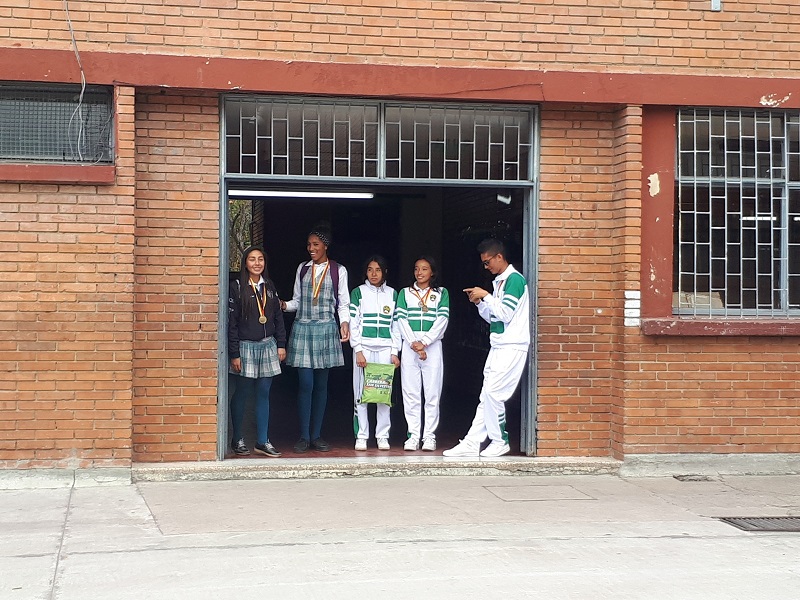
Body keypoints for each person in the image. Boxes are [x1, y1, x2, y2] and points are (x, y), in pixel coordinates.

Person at [443, 239, 530, 458]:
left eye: (487, 262)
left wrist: (487, 296)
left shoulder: (514, 280)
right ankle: (472, 442)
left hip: (512, 346)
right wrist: (480, 303)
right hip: (499, 345)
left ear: (499, 257)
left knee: (493, 395)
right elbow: (493, 317)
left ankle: (500, 440)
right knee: (486, 396)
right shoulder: (500, 281)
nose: (486, 266)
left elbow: (506, 314)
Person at [281, 222, 350, 453]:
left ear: (325, 246)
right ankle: (303, 435)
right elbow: (297, 301)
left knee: (321, 385)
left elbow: (343, 304)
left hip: (326, 328)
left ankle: (317, 435)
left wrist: (345, 324)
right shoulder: (302, 268)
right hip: (303, 329)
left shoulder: (338, 270)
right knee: (306, 384)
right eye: (309, 244)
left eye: (316, 244)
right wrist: (283, 305)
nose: (311, 248)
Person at [228, 246, 286, 458]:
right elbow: (232, 323)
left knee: (264, 393)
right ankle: (238, 438)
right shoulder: (237, 287)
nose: (257, 263)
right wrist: (234, 353)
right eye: (252, 259)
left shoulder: (269, 286)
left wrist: (281, 344)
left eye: (260, 259)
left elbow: (277, 317)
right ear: (245, 263)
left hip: (268, 345)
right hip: (245, 347)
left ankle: (262, 440)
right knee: (242, 393)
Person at [395, 256, 449, 452]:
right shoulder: (405, 293)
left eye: (424, 269)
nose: (420, 273)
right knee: (411, 393)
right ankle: (413, 435)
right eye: (417, 269)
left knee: (432, 393)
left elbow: (442, 320)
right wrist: (414, 344)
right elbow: (401, 319)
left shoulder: (441, 293)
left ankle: (429, 436)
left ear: (432, 272)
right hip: (410, 346)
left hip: (432, 347)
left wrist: (424, 343)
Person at [349, 255, 401, 451]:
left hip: (386, 350)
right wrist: (358, 350)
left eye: (378, 270)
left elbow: (396, 326)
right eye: (370, 269)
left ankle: (382, 436)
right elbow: (353, 323)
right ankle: (361, 436)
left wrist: (395, 352)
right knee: (361, 394)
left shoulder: (393, 294)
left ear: (384, 272)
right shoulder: (358, 293)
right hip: (365, 350)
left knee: (383, 394)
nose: (373, 274)